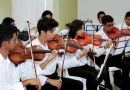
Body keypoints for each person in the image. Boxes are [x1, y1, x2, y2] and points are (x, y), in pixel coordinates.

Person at [26, 17, 83, 90]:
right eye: (52, 31)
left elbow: (60, 64)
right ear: (43, 32)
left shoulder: (53, 44)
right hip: (39, 80)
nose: (55, 33)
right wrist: (48, 80)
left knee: (78, 85)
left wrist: (78, 56)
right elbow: (29, 75)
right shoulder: (30, 48)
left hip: (53, 76)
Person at [57, 19, 106, 90]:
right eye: (81, 29)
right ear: (75, 29)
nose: (83, 31)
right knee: (91, 76)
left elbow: (94, 51)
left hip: (83, 65)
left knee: (101, 73)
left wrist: (89, 50)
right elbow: (65, 60)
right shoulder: (67, 42)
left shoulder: (83, 40)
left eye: (83, 28)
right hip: (73, 67)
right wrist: (80, 54)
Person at [0, 24, 46, 90]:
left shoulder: (14, 58)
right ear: (5, 43)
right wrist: (25, 83)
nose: (17, 42)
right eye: (14, 40)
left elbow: (26, 75)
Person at [94, 15, 130, 90]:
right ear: (103, 24)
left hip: (111, 57)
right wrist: (105, 47)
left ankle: (125, 87)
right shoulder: (98, 35)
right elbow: (97, 53)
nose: (111, 27)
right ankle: (108, 87)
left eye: (112, 25)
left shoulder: (114, 33)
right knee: (105, 70)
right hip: (101, 58)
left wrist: (115, 48)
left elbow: (113, 50)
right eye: (108, 25)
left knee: (126, 65)